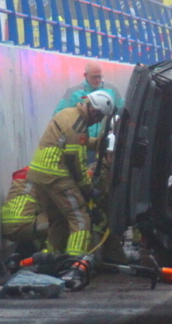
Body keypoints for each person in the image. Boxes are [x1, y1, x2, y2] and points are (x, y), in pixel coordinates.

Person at [28, 91, 115, 261]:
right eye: (99, 116)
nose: (98, 120)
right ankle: (73, 263)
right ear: (93, 110)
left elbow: (75, 141)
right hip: (56, 176)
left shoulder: (69, 115)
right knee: (80, 218)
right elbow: (78, 164)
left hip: (39, 175)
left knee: (58, 221)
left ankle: (51, 261)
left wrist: (97, 142)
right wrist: (89, 190)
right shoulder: (78, 126)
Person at [55, 60, 124, 136]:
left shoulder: (112, 90)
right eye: (94, 77)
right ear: (85, 75)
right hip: (81, 140)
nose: (97, 80)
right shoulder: (73, 93)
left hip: (104, 140)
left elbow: (122, 111)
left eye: (99, 76)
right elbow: (58, 116)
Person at [1, 167, 48, 257]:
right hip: (22, 226)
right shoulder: (53, 179)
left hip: (13, 228)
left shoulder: (26, 180)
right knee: (62, 224)